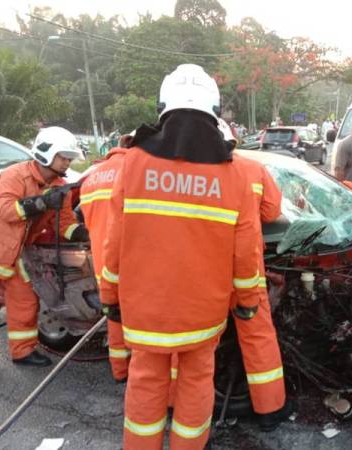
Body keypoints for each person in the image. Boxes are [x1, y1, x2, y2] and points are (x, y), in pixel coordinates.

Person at [99, 64, 261, 450]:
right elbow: (247, 251)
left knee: (146, 384)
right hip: (202, 314)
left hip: (145, 312)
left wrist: (110, 297)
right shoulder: (234, 173)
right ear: (215, 111)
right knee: (195, 385)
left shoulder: (132, 164)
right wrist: (248, 303)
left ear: (163, 107)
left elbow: (113, 241)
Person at [0, 126, 88, 381]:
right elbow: (5, 210)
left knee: (26, 303)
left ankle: (22, 352)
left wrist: (85, 233)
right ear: (46, 154)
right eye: (63, 157)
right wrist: (40, 203)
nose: (67, 162)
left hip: (17, 256)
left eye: (69, 157)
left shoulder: (59, 186)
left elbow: (64, 224)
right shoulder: (14, 175)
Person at [218, 119, 291, 430]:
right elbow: (272, 213)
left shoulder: (186, 174)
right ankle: (270, 411)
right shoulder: (252, 169)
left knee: (198, 343)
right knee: (258, 337)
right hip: (247, 267)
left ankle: (177, 406)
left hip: (204, 272)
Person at [80, 142, 131, 382]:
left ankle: (119, 371)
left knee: (114, 316)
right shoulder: (133, 168)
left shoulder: (92, 176)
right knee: (139, 318)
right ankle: (143, 369)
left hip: (103, 261)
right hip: (131, 258)